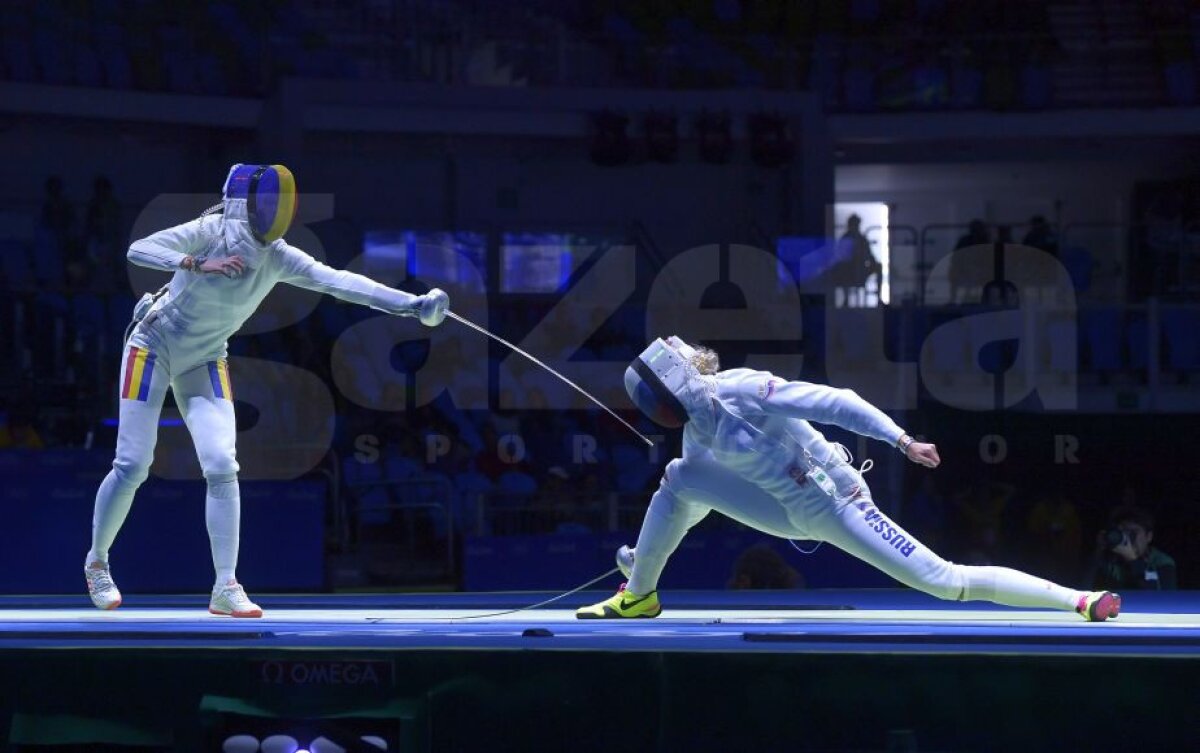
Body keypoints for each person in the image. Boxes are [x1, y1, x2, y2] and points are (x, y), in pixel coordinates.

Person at [84, 164, 449, 617]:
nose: (275, 210)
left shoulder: (278, 255)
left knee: (221, 464)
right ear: (245, 201)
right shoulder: (209, 229)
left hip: (206, 358)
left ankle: (225, 586)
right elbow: (140, 249)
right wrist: (199, 262)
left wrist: (412, 307)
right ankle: (97, 562)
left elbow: (340, 281)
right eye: (268, 200)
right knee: (133, 463)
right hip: (152, 346)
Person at [576, 337, 1120, 621]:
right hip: (790, 515)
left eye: (653, 396)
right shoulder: (700, 435)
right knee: (679, 480)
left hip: (840, 505)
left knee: (944, 581)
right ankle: (640, 593)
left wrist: (901, 440)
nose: (653, 409)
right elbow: (689, 503)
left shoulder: (743, 390)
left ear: (673, 387)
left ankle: (1078, 599)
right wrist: (646, 555)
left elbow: (837, 402)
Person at [1087, 505, 1177, 591]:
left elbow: (1160, 598)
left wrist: (1133, 561)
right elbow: (1083, 590)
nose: (1127, 538)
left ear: (1149, 536)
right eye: (1122, 532)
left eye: (1133, 533)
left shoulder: (1162, 562)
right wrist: (1098, 550)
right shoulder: (1110, 559)